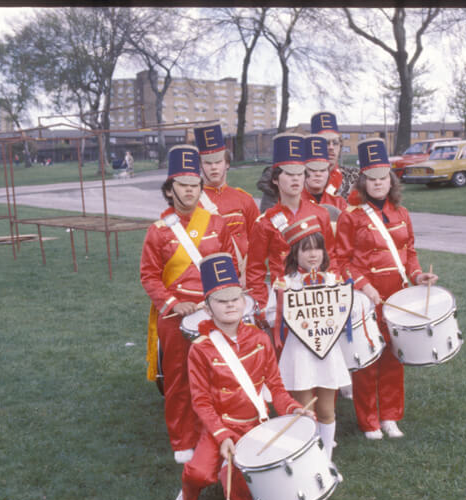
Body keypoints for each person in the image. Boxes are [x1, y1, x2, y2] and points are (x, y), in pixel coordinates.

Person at [166, 252, 314, 500]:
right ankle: (186, 497)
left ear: (244, 302)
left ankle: (230, 471)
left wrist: (294, 409)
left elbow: (276, 388)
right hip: (220, 426)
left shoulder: (260, 338)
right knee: (199, 474)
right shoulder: (200, 349)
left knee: (247, 497)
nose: (230, 305)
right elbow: (200, 402)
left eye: (235, 298)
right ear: (208, 309)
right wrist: (222, 436)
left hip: (256, 423)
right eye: (221, 301)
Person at [330, 138, 438, 440]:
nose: (378, 184)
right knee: (368, 360)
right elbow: (341, 261)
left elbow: (410, 252)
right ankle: (368, 421)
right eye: (372, 179)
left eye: (383, 179)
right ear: (364, 181)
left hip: (399, 296)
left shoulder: (402, 213)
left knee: (394, 358)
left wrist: (418, 276)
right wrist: (364, 286)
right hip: (367, 299)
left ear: (390, 181)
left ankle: (390, 416)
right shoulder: (352, 216)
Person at [140, 145, 239, 465]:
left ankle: (216, 434)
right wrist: (172, 302)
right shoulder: (158, 232)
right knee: (180, 380)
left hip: (215, 312)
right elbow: (149, 276)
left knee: (220, 377)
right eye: (182, 185)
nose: (190, 191)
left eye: (194, 185)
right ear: (170, 190)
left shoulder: (216, 224)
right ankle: (182, 439)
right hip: (177, 315)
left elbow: (231, 269)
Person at [264, 216, 352, 460]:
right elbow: (272, 315)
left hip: (327, 353)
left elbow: (344, 311)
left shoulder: (334, 281)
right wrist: (289, 315)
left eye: (318, 249)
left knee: (326, 410)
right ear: (295, 253)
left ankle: (326, 460)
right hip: (299, 354)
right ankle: (307, 458)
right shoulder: (285, 284)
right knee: (304, 411)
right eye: (306, 249)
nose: (313, 255)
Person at [246, 133, 336, 309]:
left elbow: (331, 257)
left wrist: (333, 290)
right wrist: (263, 306)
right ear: (275, 179)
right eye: (288, 174)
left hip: (320, 299)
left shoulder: (321, 214)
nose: (295, 179)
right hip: (284, 301)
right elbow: (255, 271)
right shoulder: (265, 222)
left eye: (300, 173)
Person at [194, 122, 258, 281]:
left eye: (218, 162)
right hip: (208, 278)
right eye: (208, 163)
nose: (214, 167)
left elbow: (258, 241)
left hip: (244, 277)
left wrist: (248, 272)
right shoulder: (193, 203)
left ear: (227, 164)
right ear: (201, 166)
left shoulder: (244, 199)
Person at [311, 111, 359, 200]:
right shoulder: (302, 178)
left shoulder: (355, 177)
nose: (331, 147)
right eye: (325, 143)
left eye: (335, 143)